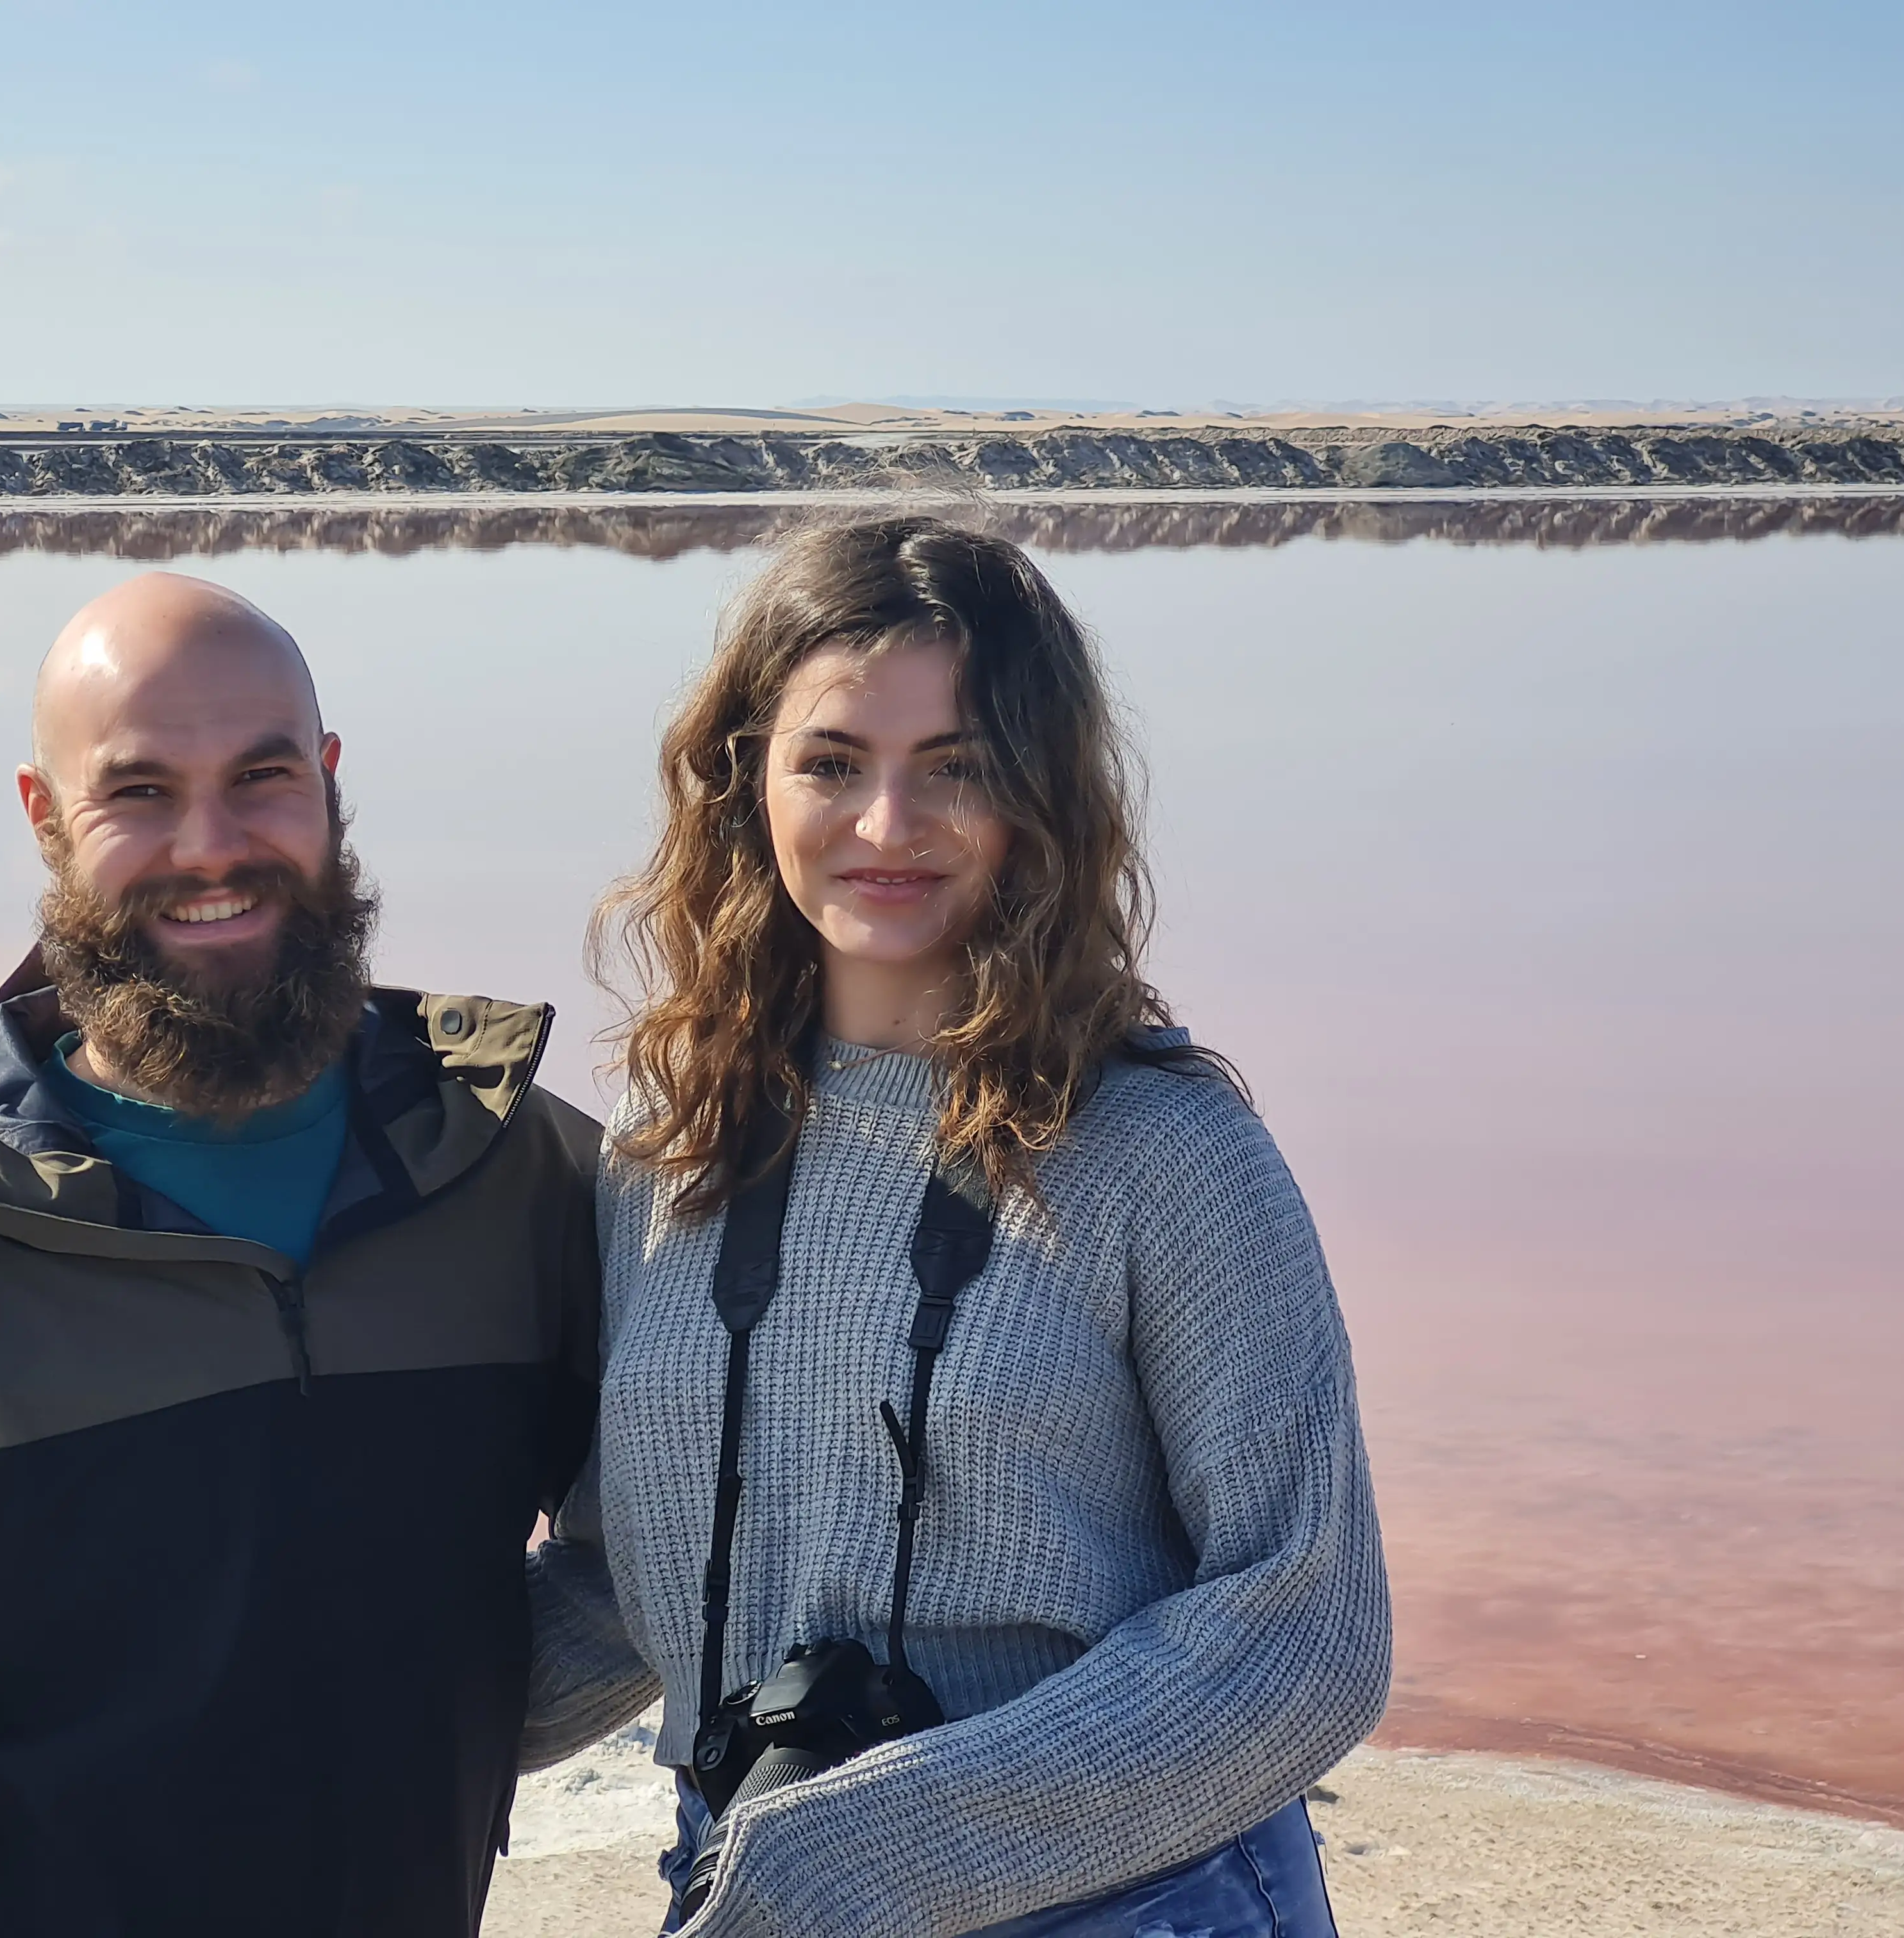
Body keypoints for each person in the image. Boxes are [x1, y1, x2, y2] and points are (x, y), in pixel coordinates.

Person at [0, 572, 602, 1937]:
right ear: (43, 816)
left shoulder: (515, 1174)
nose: (211, 848)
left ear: (329, 785)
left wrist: (469, 1707)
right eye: (138, 793)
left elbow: (708, 1491)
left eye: (262, 775)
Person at [527, 516, 1392, 1937]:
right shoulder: (667, 1154)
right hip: (751, 1876)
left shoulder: (1163, 1152)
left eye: (956, 768)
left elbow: (1309, 1631)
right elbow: (634, 1580)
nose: (886, 825)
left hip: (1124, 1902)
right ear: (744, 779)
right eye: (831, 762)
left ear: (1040, 795)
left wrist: (863, 1857)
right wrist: (343, 1736)